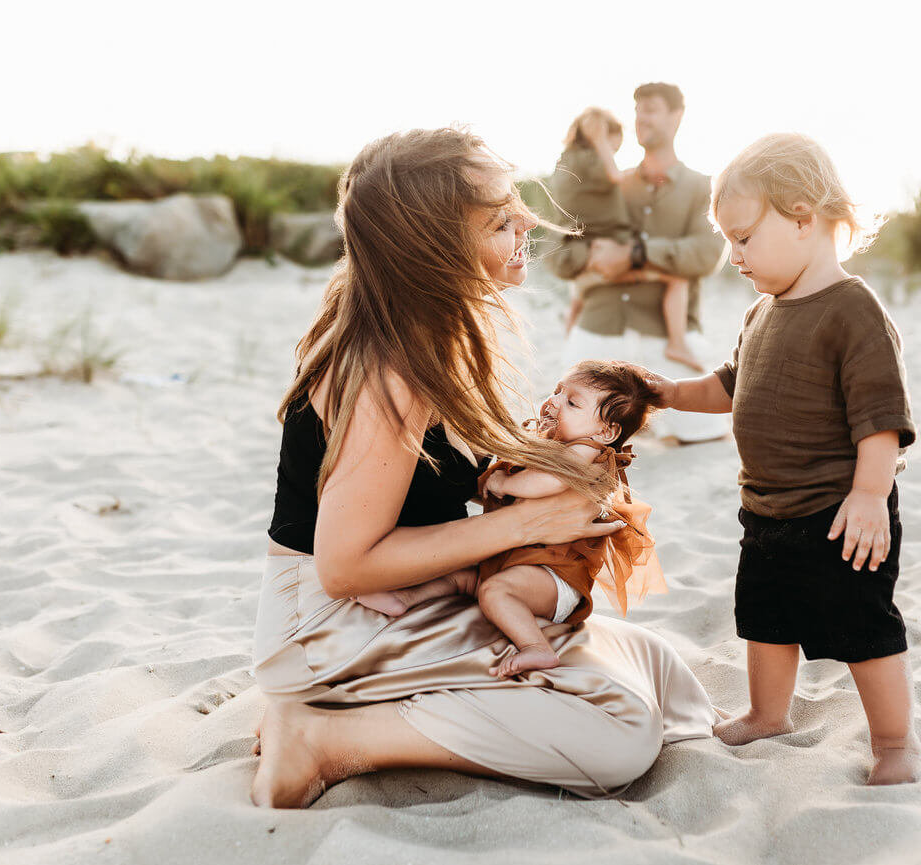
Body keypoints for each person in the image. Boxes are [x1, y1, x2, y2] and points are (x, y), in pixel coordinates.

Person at [251, 127, 717, 809]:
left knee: (653, 664)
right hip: (330, 620)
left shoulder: (412, 323)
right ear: (432, 249)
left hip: (399, 593)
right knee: (620, 733)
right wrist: (530, 520)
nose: (527, 220)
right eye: (501, 219)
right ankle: (321, 737)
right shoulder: (393, 367)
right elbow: (345, 564)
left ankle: (329, 709)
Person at [643, 133, 921, 785]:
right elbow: (728, 385)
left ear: (802, 217)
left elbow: (881, 417)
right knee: (764, 616)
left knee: (864, 625)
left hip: (840, 511)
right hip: (766, 506)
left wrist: (867, 495)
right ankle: (769, 713)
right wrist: (665, 393)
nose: (733, 256)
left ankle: (894, 740)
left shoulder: (851, 310)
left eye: (742, 237)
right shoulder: (761, 313)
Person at [358, 360, 666, 680]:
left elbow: (546, 482)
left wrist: (504, 484)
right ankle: (404, 599)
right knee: (462, 576)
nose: (555, 401)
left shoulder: (587, 451)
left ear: (607, 431)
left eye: (572, 402)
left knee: (495, 592)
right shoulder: (558, 441)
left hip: (553, 575)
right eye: (558, 391)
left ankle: (536, 647)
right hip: (519, 560)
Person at [548, 82, 727, 444]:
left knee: (702, 436)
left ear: (678, 116)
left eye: (651, 108)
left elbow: (706, 255)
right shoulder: (609, 183)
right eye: (636, 108)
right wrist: (598, 257)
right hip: (600, 323)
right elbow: (560, 255)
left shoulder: (704, 187)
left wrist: (634, 254)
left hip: (665, 329)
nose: (640, 117)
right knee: (563, 429)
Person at [552, 108, 701, 370]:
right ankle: (677, 342)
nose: (615, 151)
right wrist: (601, 143)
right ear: (600, 134)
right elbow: (615, 175)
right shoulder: (592, 159)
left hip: (583, 242)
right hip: (607, 238)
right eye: (614, 144)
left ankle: (570, 320)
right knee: (676, 277)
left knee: (582, 289)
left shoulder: (563, 161)